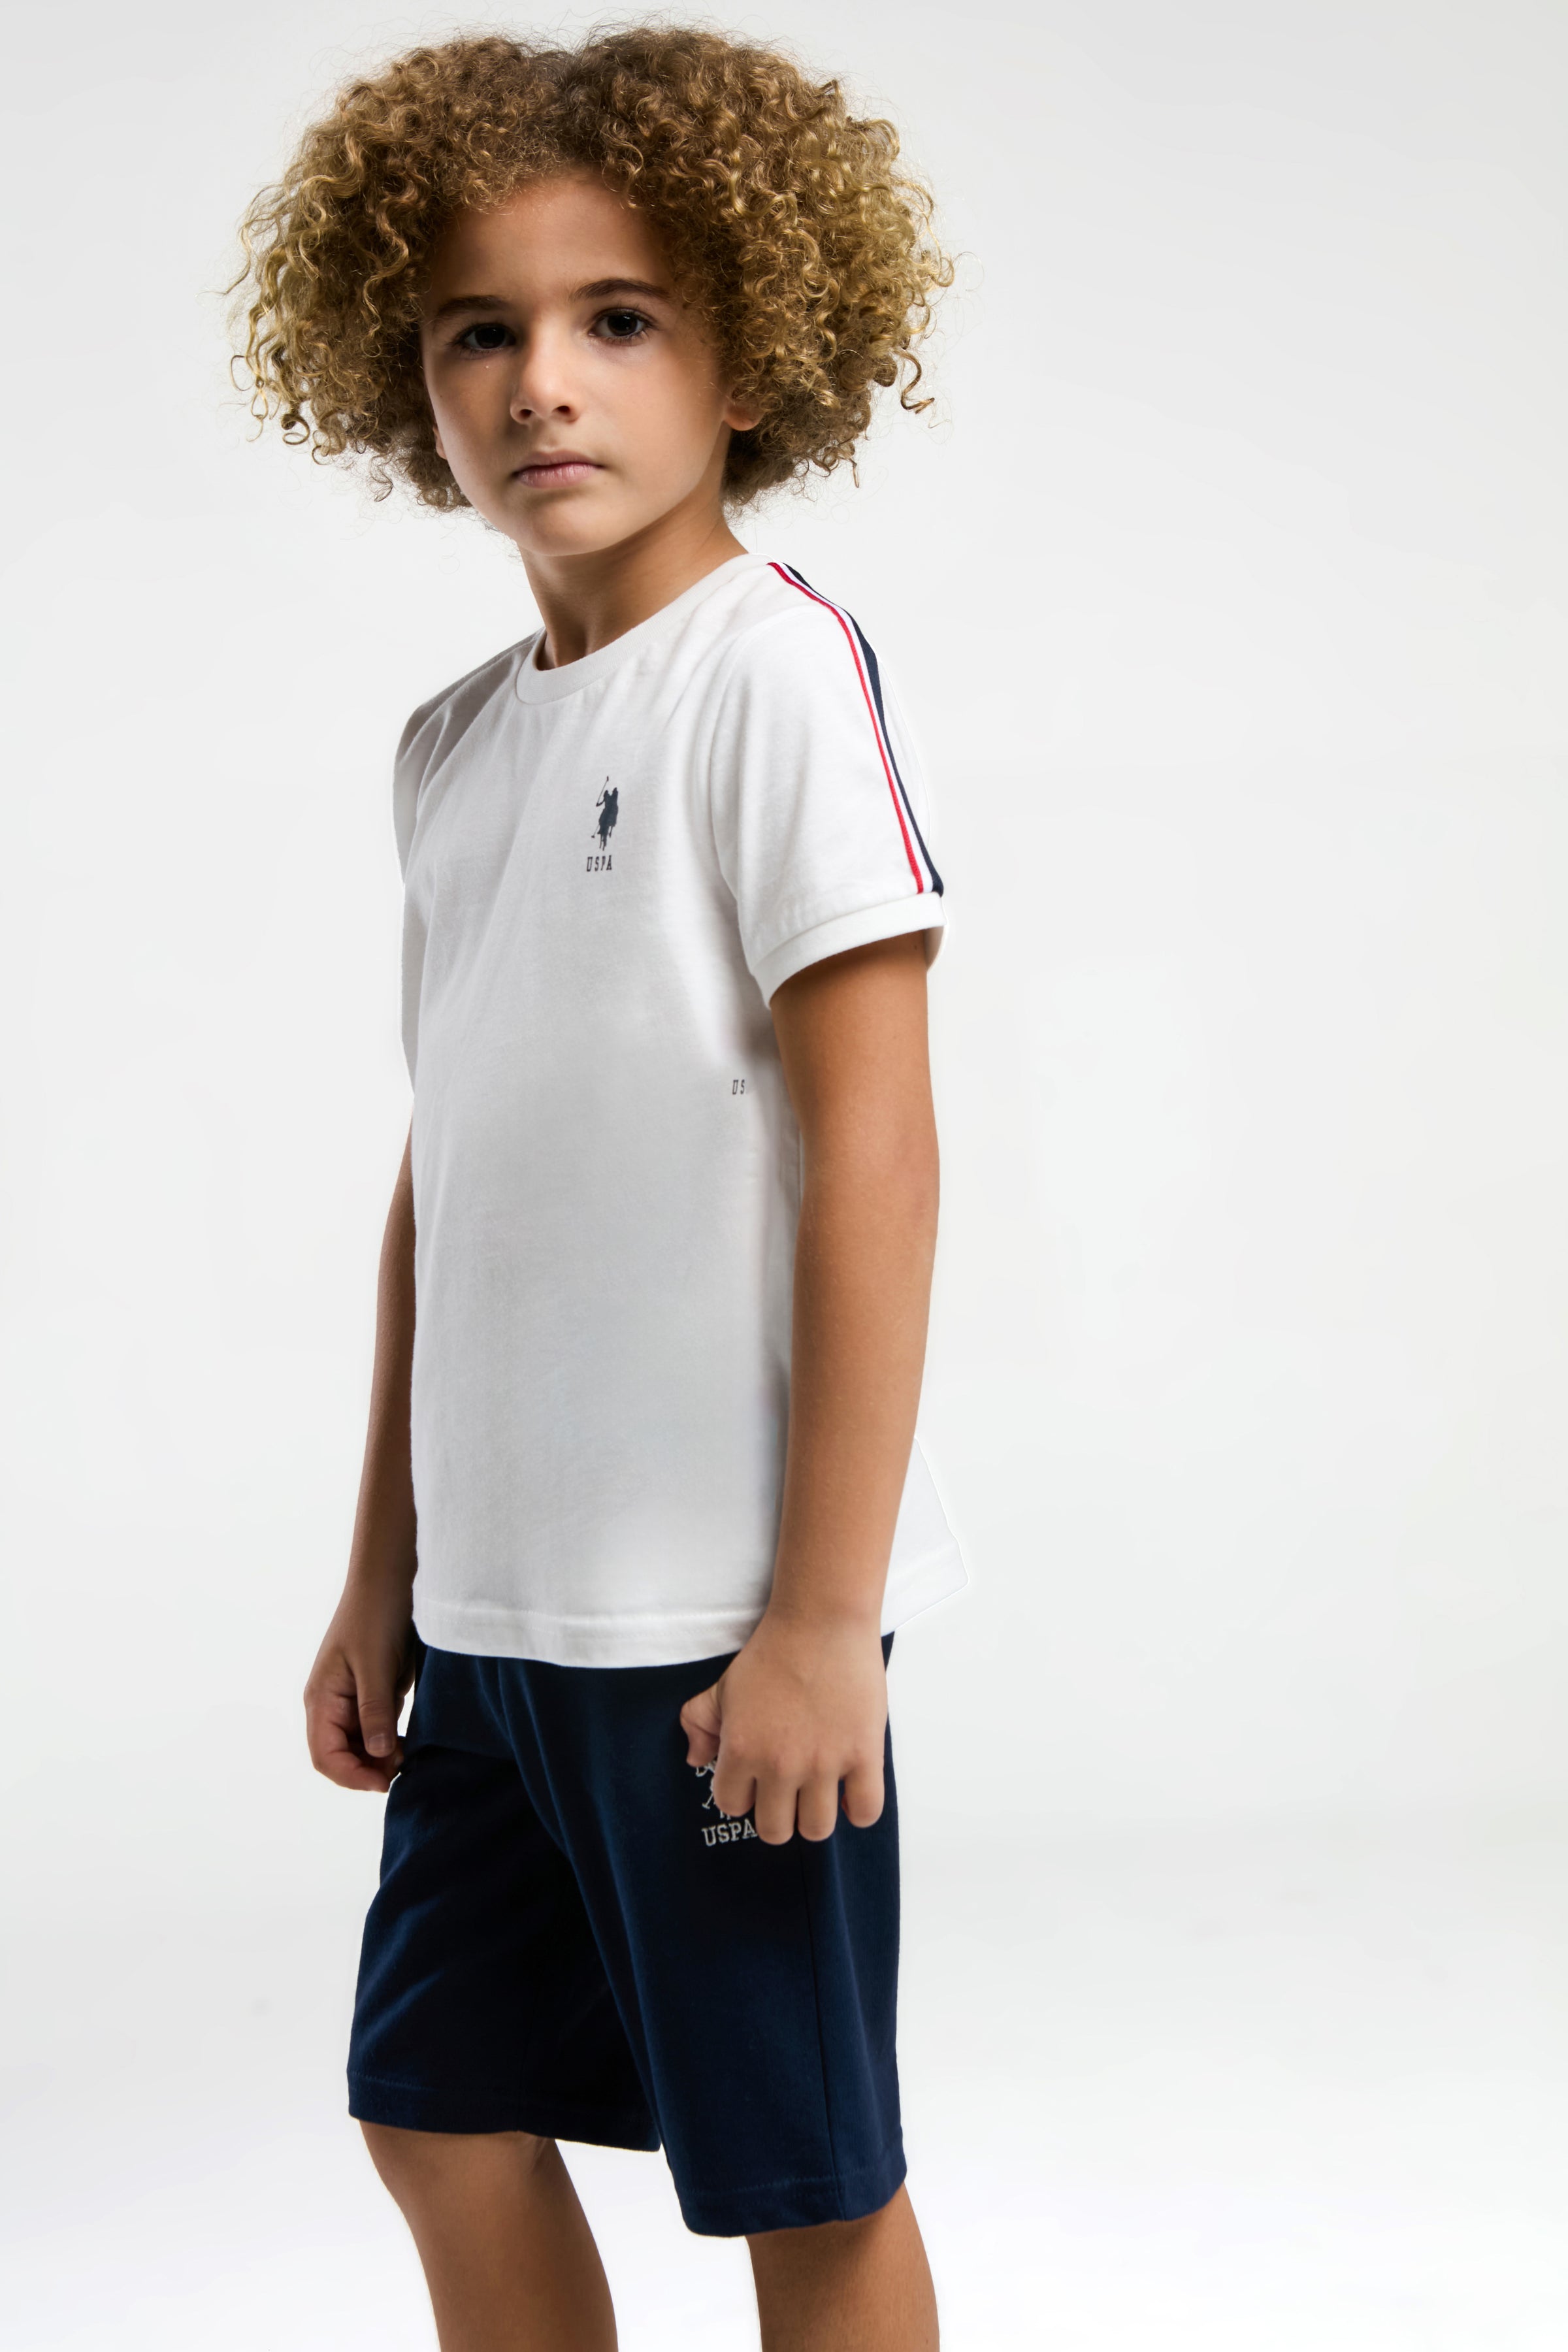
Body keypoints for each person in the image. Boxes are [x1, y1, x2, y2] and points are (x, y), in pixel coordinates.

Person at [236, 27, 964, 2350]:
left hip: (713, 1625)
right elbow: (444, 1181)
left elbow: (877, 1153)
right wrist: (385, 1572)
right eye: (483, 330)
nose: (543, 380)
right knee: (436, 2111)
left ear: (749, 359)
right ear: (413, 384)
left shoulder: (773, 677)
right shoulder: (453, 748)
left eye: (618, 319)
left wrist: (821, 1616)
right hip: (494, 1627)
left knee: (796, 2178)